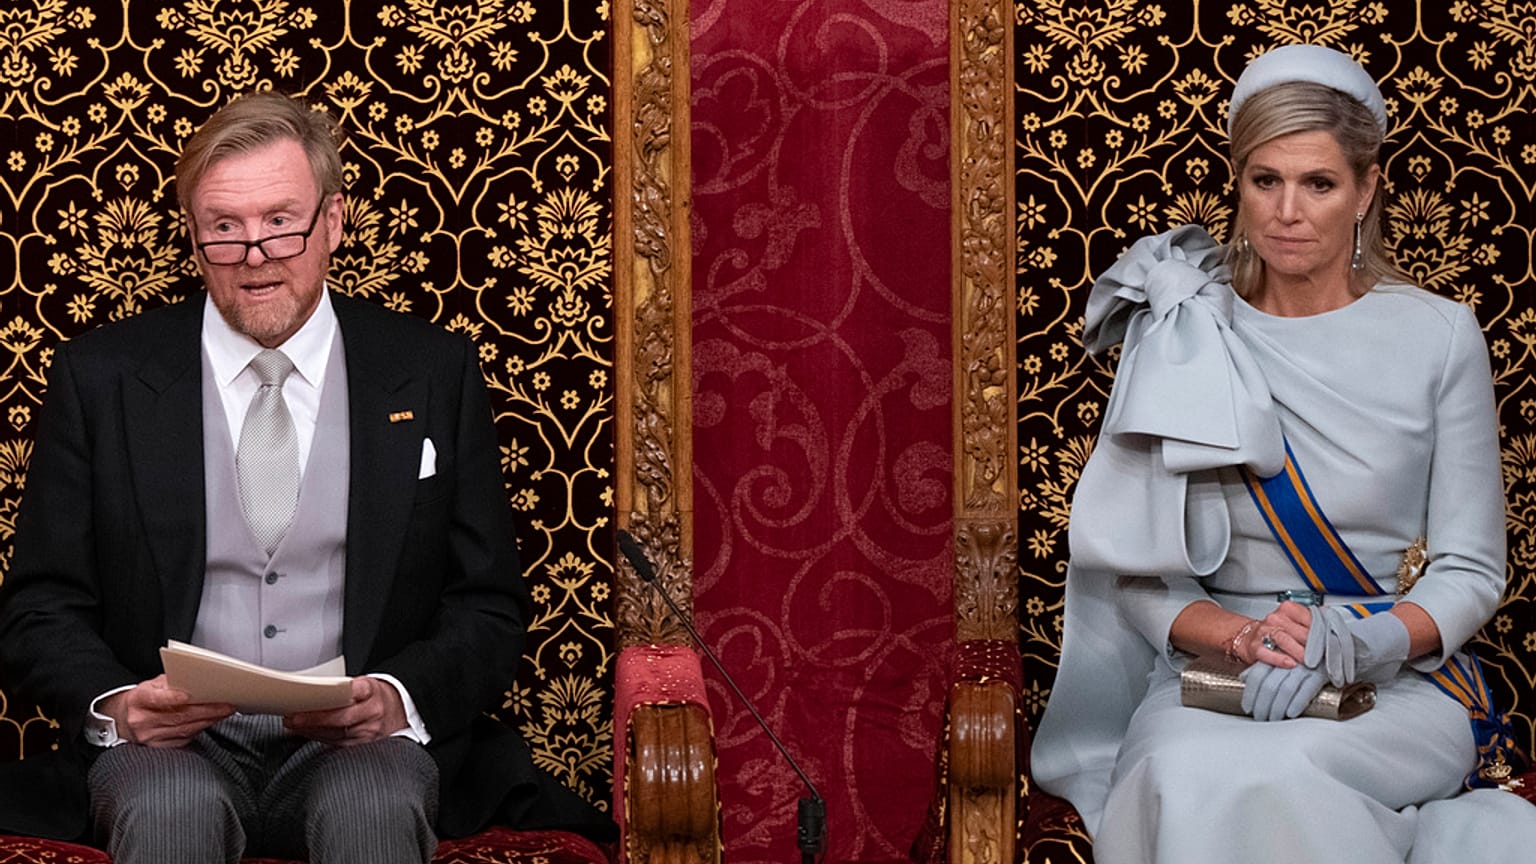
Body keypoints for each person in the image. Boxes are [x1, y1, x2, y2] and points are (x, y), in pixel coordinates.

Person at [0, 91, 614, 862]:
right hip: (169, 752)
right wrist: (119, 706)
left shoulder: (430, 371)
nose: (256, 254)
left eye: (281, 222)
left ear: (332, 221)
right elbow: (40, 605)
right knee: (167, 810)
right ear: (194, 241)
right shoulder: (101, 379)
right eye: (225, 228)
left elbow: (486, 604)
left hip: (360, 747)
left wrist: (395, 700)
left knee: (374, 803)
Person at [1030, 44, 1536, 862]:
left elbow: (1473, 570)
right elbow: (1138, 577)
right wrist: (1239, 637)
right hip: (1214, 675)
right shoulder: (1184, 334)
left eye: (1320, 183)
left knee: (1292, 772)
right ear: (1239, 184)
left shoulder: (1440, 336)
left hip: (1393, 680)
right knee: (1184, 772)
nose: (1288, 211)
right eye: (1266, 180)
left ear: (1366, 189)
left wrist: (1365, 645)